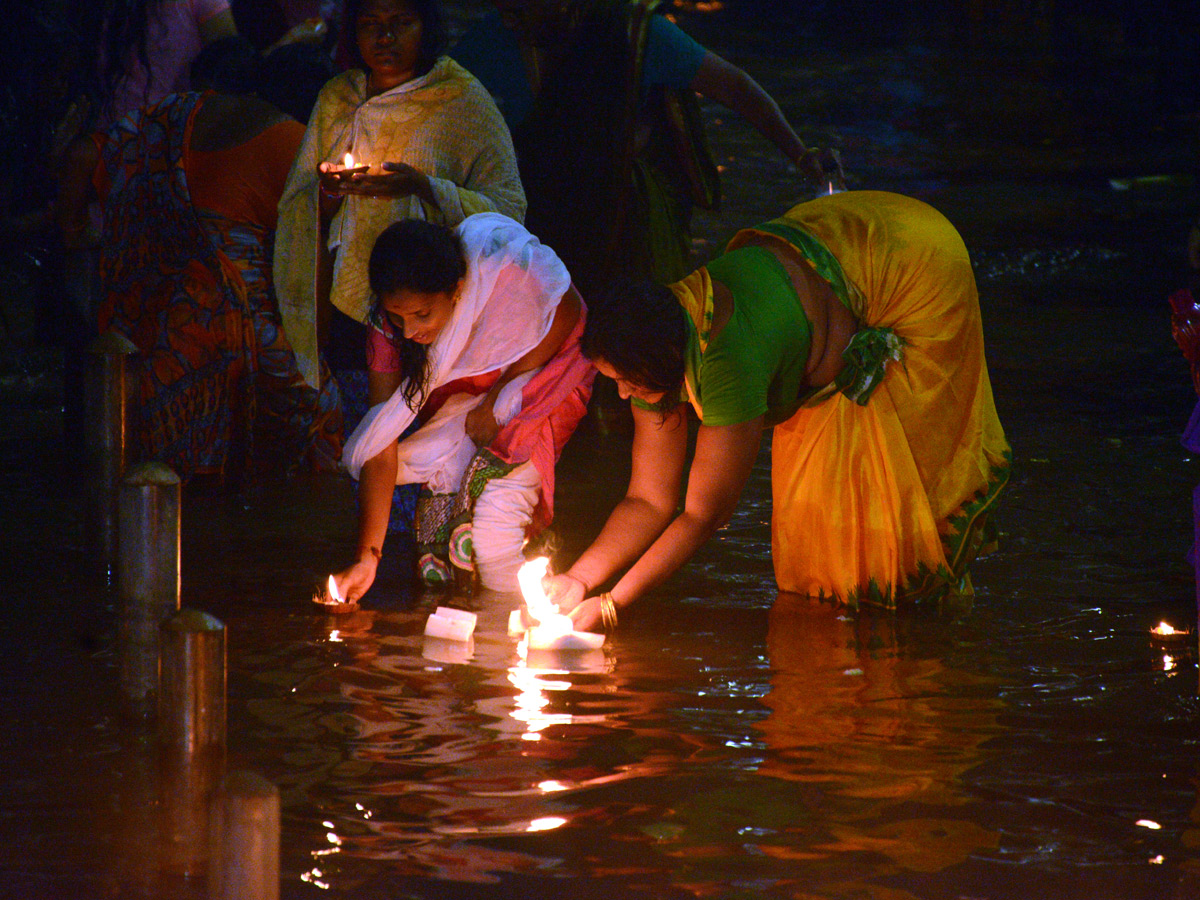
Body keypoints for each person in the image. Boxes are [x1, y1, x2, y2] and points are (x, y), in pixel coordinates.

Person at [544, 190, 1012, 631]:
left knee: (896, 532)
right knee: (817, 549)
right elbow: (648, 499)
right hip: (829, 248)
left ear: (656, 363)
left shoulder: (729, 363)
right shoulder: (653, 340)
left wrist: (610, 606)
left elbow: (702, 514)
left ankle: (926, 646)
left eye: (626, 382)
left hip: (910, 260)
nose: (623, 395)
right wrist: (579, 580)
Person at [451, 0, 834, 295]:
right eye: (504, 10)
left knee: (644, 325)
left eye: (520, 11)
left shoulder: (636, 34)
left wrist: (800, 155)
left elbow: (733, 87)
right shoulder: (487, 46)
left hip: (626, 211)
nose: (510, 21)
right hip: (539, 206)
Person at [92, 37, 342, 485]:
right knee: (321, 407)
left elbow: (99, 152)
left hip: (149, 319)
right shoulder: (292, 139)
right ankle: (290, 526)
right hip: (228, 322)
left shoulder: (179, 110)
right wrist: (315, 359)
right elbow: (308, 276)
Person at [327, 214, 594, 602]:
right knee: (436, 530)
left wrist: (498, 395)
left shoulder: (502, 274)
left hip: (549, 371)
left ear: (457, 290)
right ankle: (463, 630)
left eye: (422, 315)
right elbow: (380, 439)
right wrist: (367, 560)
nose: (411, 332)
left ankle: (518, 627)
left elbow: (565, 310)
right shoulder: (387, 329)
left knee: (494, 528)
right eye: (399, 317)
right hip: (474, 398)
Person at [272, 0, 526, 404]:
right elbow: (298, 207)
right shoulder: (338, 98)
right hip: (348, 304)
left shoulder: (461, 101)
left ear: (426, 27)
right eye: (370, 24)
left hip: (430, 308)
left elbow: (508, 210)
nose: (384, 38)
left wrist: (425, 187)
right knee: (360, 421)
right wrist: (330, 190)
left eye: (401, 23)